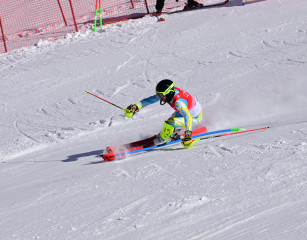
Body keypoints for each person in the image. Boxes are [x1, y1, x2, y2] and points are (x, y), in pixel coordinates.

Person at [124, 79, 203, 148]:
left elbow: (188, 117)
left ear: (169, 93)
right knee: (170, 121)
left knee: (170, 123)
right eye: (158, 94)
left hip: (195, 118)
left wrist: (188, 135)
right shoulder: (169, 93)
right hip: (187, 111)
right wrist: (136, 107)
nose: (159, 97)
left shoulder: (179, 103)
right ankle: (174, 133)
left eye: (161, 95)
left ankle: (163, 139)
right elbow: (150, 100)